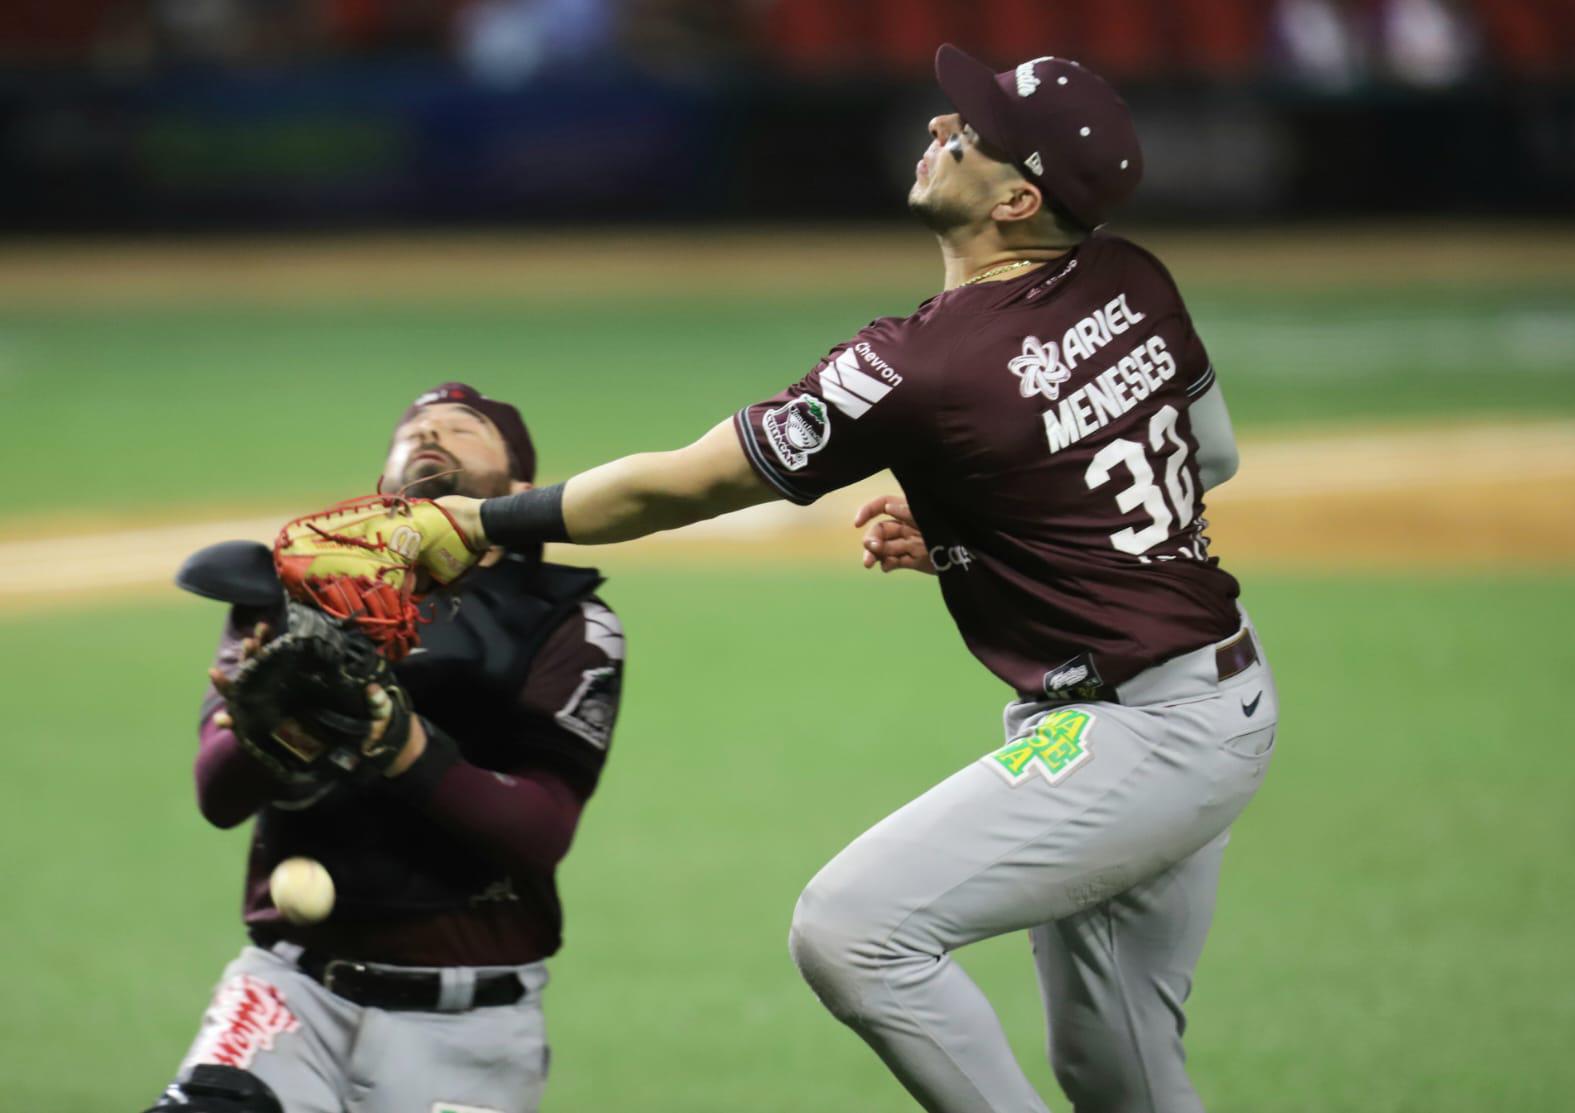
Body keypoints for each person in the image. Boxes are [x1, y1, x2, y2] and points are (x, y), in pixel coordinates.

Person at [442, 45, 1274, 1113]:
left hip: (1141, 737)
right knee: (1120, 1074)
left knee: (854, 932)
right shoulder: (1132, 278)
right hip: (1217, 696)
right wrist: (986, 524)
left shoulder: (920, 365)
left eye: (966, 134)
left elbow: (680, 488)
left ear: (1017, 200)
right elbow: (1207, 458)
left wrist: (480, 521)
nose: (938, 128)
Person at [150, 383, 625, 1113]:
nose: (431, 433)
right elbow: (217, 795)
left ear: (521, 489)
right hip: (289, 991)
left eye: (463, 428)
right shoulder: (294, 587)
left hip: (472, 1027)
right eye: (415, 428)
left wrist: (401, 746)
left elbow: (540, 827)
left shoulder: (564, 622)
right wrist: (265, 732)